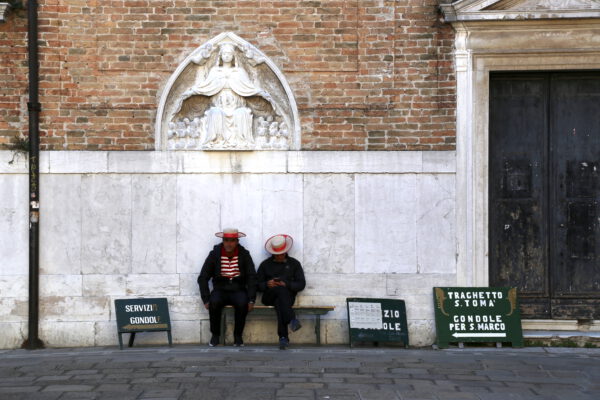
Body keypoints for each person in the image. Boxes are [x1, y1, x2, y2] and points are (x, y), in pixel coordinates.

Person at [198, 228, 257, 347]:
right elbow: (203, 277)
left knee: (242, 304)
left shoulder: (244, 254)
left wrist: (251, 299)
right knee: (214, 303)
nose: (229, 243)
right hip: (220, 288)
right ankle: (215, 336)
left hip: (238, 288)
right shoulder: (214, 254)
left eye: (232, 241)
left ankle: (238, 337)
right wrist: (206, 298)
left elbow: (252, 277)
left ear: (237, 241)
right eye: (226, 240)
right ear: (223, 240)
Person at [257, 234, 306, 350]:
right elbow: (256, 285)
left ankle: (283, 337)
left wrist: (287, 284)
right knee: (280, 291)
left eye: (282, 253)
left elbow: (301, 284)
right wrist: (267, 284)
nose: (280, 256)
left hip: (287, 298)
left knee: (280, 303)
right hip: (268, 296)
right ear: (273, 253)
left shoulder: (294, 264)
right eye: (277, 254)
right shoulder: (265, 265)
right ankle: (291, 319)